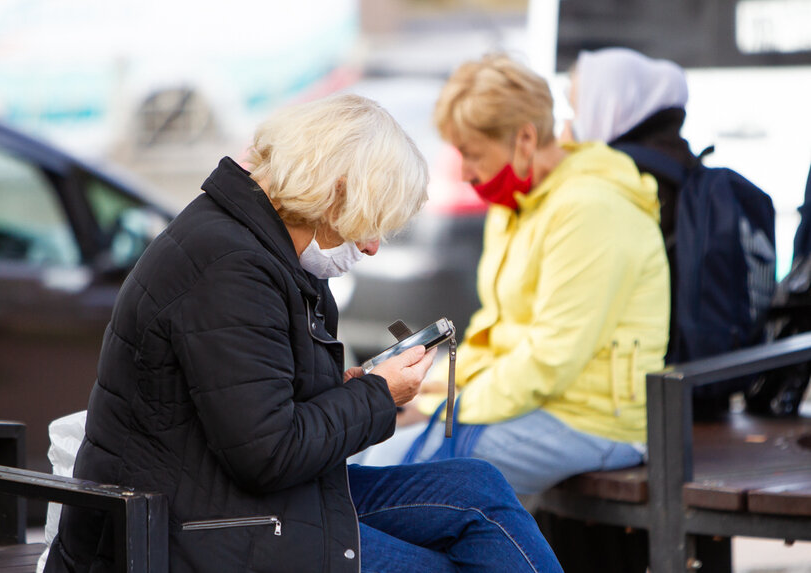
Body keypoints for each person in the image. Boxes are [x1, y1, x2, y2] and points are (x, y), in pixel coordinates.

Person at [44, 93, 562, 573]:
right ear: (335, 194)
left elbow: (252, 404)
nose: (374, 246)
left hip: (232, 500)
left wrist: (347, 388)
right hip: (197, 529)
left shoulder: (257, 248)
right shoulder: (230, 266)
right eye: (369, 222)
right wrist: (377, 395)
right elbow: (268, 453)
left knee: (478, 488)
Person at [361, 54, 671, 496]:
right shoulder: (519, 203)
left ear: (525, 138)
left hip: (596, 421)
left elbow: (550, 359)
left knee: (399, 472)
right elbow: (498, 332)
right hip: (538, 404)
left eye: (472, 154)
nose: (465, 173)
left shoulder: (590, 209)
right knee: (377, 451)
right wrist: (429, 392)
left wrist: (448, 407)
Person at [563, 47, 696, 358]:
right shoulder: (675, 159)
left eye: (577, 107)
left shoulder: (624, 177)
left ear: (609, 104)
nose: (569, 123)